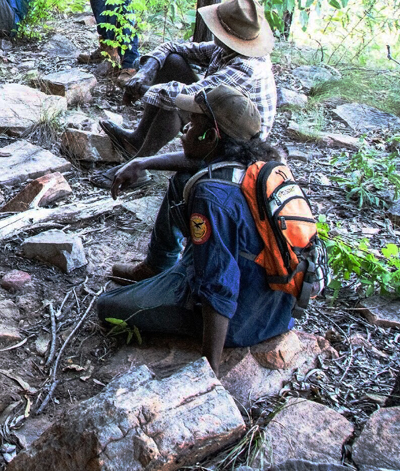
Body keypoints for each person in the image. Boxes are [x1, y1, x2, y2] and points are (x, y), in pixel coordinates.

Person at [98, 85, 294, 371]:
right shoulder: (257, 161)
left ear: (211, 136)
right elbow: (200, 159)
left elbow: (219, 284)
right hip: (274, 304)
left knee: (108, 306)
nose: (184, 129)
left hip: (245, 317)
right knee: (182, 180)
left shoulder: (211, 196)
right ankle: (158, 267)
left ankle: (180, 288)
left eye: (192, 124)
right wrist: (144, 162)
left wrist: (209, 367)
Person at [93, 0, 277, 189]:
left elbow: (192, 96)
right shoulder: (225, 49)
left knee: (175, 99)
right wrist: (145, 72)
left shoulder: (246, 67)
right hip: (220, 112)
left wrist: (142, 90)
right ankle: (137, 141)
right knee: (172, 63)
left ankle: (140, 165)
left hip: (238, 139)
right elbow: (173, 47)